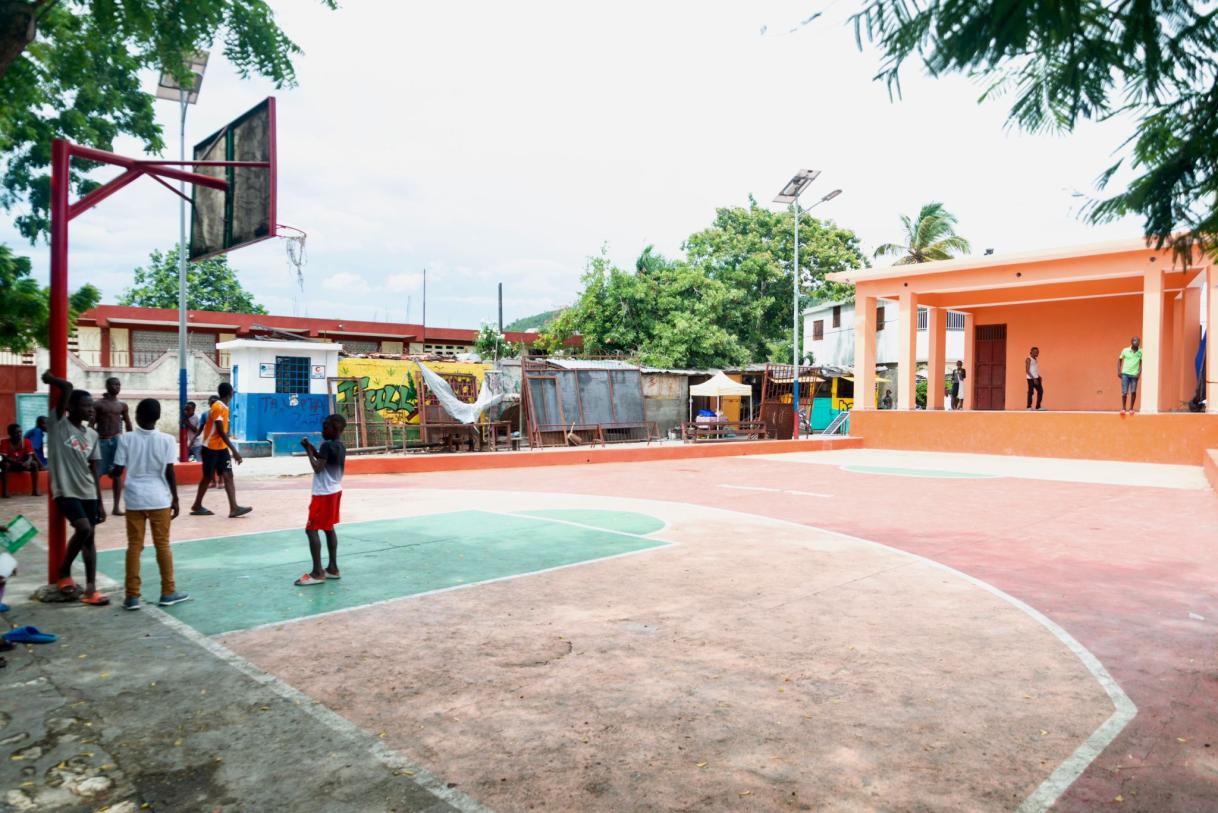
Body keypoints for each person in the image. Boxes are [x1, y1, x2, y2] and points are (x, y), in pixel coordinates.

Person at [112, 399, 189, 610]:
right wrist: (175, 498)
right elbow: (169, 472)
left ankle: (132, 596)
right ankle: (168, 591)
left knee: (134, 547)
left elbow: (117, 471)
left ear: (136, 416)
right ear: (158, 417)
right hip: (159, 498)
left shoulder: (125, 439)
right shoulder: (167, 440)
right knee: (162, 545)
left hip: (135, 499)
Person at [41, 369, 108, 606]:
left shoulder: (91, 434)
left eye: (91, 406)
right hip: (65, 489)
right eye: (85, 405)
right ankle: (64, 571)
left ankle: (91, 589)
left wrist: (100, 501)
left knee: (90, 539)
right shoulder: (58, 423)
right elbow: (67, 389)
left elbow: (95, 469)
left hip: (88, 491)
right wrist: (52, 381)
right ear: (70, 407)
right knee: (83, 529)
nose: (90, 410)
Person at [294, 414, 347, 586]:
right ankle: (332, 568)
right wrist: (310, 449)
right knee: (328, 527)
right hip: (335, 491)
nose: (322, 430)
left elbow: (317, 468)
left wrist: (310, 452)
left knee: (312, 530)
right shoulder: (340, 446)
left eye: (326, 427)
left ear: (335, 429)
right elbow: (323, 459)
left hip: (323, 494)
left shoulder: (326, 445)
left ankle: (317, 572)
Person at [190, 383, 251, 518]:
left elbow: (223, 433)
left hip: (221, 447)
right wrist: (234, 450)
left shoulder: (224, 407)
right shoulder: (217, 406)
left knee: (228, 475)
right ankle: (197, 505)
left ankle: (234, 507)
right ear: (230, 392)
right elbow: (220, 431)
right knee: (207, 477)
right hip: (210, 447)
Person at [90, 376, 131, 516]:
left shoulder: (122, 405)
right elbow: (91, 425)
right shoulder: (98, 404)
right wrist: (92, 440)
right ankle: (98, 505)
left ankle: (116, 507)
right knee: (97, 474)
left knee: (117, 474)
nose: (117, 387)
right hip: (101, 441)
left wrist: (131, 440)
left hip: (117, 441)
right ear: (107, 386)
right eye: (114, 384)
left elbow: (128, 423)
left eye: (119, 385)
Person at [0, 423, 40, 498]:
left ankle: (35, 490)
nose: (19, 434)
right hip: (12, 465)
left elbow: (30, 455)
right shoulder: (4, 442)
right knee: (5, 464)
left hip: (23, 464)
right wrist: (18, 463)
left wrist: (27, 462)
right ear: (10, 434)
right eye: (16, 432)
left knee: (34, 463)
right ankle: (5, 491)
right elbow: (5, 457)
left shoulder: (26, 441)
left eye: (20, 432)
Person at [1118, 336, 1144, 414]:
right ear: (1131, 341)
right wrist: (1119, 371)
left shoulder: (1141, 351)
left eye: (1138, 341)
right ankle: (1123, 408)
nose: (1137, 342)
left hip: (1134, 375)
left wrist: (1139, 373)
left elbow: (1142, 363)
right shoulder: (1125, 350)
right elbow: (1120, 360)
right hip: (1125, 373)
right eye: (1135, 340)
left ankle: (1131, 408)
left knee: (1133, 391)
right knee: (1124, 392)